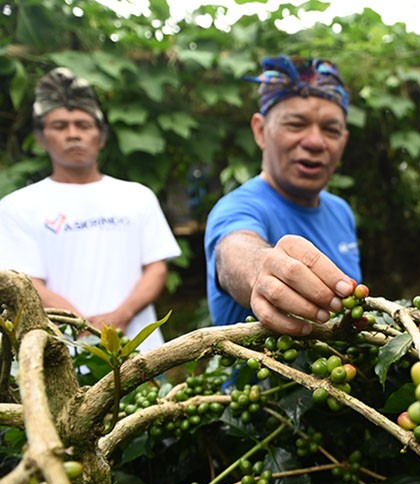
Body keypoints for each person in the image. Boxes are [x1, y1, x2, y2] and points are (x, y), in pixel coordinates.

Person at [0, 67, 181, 351]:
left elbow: (156, 268)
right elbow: (25, 282)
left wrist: (121, 315)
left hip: (141, 350)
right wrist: (81, 323)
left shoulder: (137, 197)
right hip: (60, 352)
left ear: (101, 136)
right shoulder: (17, 207)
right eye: (60, 126)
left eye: (83, 125)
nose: (73, 134)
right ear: (41, 138)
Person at [204, 55, 360, 335]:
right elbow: (234, 250)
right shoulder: (236, 208)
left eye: (331, 130)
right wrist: (260, 268)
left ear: (344, 140)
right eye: (296, 124)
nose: (315, 142)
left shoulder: (341, 211)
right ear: (260, 131)